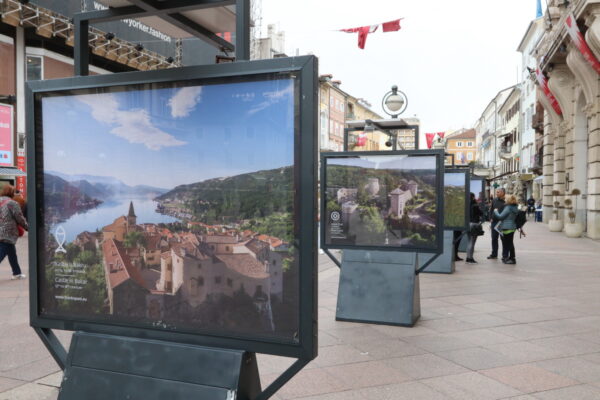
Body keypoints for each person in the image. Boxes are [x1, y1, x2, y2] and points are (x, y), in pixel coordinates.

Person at [0, 185, 29, 279]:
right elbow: (19, 218)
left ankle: (17, 273)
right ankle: (17, 273)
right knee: (3, 251)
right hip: (7, 233)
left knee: (12, 252)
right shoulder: (12, 203)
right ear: (11, 193)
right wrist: (28, 228)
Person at [494, 194, 519, 265]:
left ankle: (512, 259)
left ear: (508, 200)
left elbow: (500, 216)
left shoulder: (508, 208)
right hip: (512, 227)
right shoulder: (515, 207)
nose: (504, 200)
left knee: (509, 243)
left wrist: (495, 211)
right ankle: (511, 258)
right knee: (510, 243)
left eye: (506, 199)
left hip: (507, 227)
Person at [488, 188, 506, 260]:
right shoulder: (494, 200)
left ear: (503, 193)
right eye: (496, 192)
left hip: (502, 223)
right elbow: (491, 209)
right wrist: (490, 218)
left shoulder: (506, 201)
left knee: (503, 239)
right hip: (494, 222)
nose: (497, 193)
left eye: (498, 192)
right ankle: (494, 254)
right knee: (494, 239)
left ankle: (504, 255)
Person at [466, 192, 483, 264]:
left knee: (469, 241)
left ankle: (468, 257)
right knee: (472, 242)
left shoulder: (465, 205)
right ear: (473, 197)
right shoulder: (475, 205)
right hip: (474, 224)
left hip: (467, 224)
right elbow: (481, 213)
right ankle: (470, 258)